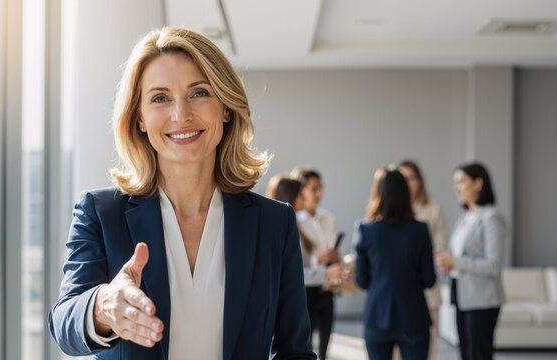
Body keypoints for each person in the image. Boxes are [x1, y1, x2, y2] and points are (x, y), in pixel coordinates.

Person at [48, 27, 316, 360]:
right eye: (160, 98)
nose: (181, 115)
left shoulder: (274, 222)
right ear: (140, 118)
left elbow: (295, 350)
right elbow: (64, 323)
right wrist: (103, 306)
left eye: (199, 93)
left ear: (226, 108)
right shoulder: (101, 213)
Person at [355, 169, 436, 360]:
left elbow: (361, 281)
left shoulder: (366, 230)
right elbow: (430, 280)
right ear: (406, 194)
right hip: (414, 317)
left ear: (379, 194)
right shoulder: (420, 230)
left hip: (377, 316)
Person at [435, 162, 506, 360]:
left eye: (461, 182)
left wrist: (456, 261)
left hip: (483, 299)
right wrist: (447, 263)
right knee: (466, 353)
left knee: (479, 354)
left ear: (478, 183)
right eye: (455, 183)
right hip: (462, 295)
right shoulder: (465, 217)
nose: (456, 187)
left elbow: (493, 265)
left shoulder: (491, 217)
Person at [267, 175, 351, 299]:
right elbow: (289, 272)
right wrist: (324, 271)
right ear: (290, 197)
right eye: (301, 194)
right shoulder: (281, 228)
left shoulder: (294, 224)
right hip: (293, 296)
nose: (304, 197)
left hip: (317, 292)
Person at [397, 160, 447, 360]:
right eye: (403, 179)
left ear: (419, 181)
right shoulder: (389, 212)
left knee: (427, 352)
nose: (408, 183)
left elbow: (440, 249)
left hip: (427, 293)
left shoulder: (433, 210)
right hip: (398, 293)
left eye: (412, 177)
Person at [290, 166, 340, 360]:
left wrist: (334, 257)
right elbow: (295, 263)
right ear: (301, 190)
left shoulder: (329, 218)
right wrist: (317, 259)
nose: (319, 193)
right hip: (305, 289)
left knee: (326, 342)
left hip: (326, 287)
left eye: (320, 188)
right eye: (313, 188)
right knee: (306, 343)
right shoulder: (293, 219)